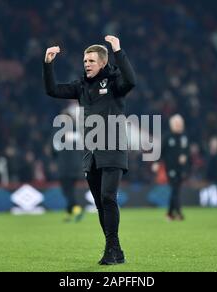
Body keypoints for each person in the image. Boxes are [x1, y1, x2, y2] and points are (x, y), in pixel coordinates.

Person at [43, 35, 136, 265]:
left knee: (107, 197)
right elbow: (53, 90)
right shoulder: (81, 86)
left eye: (91, 61)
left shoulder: (114, 83)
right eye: (85, 60)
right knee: (99, 203)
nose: (86, 64)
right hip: (91, 152)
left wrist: (118, 51)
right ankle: (116, 250)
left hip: (113, 148)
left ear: (102, 63)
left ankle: (111, 248)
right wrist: (48, 64)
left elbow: (131, 80)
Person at [160, 114, 191, 221]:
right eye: (176, 124)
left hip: (182, 168)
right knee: (175, 189)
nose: (179, 126)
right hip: (170, 168)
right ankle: (178, 212)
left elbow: (187, 151)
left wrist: (185, 157)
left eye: (180, 123)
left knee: (176, 190)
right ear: (171, 125)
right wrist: (156, 162)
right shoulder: (167, 137)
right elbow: (161, 151)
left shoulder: (185, 137)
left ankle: (169, 213)